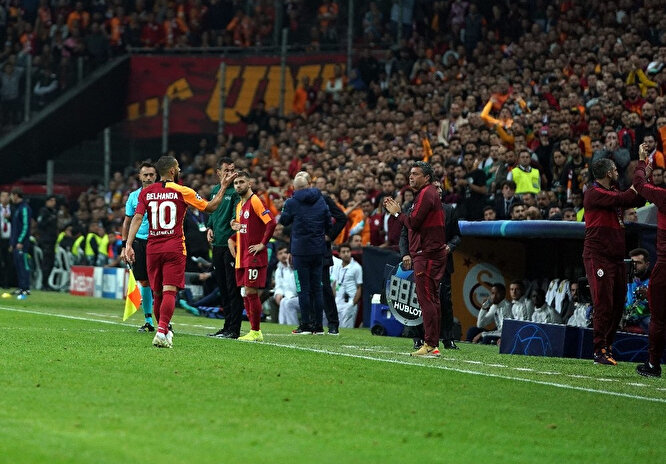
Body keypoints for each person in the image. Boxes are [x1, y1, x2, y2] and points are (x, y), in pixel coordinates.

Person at [126, 155, 231, 348]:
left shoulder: (146, 193)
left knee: (158, 293)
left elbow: (137, 218)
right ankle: (161, 331)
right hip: (174, 247)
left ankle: (163, 330)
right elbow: (210, 207)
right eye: (179, 168)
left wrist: (128, 245)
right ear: (172, 171)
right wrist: (223, 187)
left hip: (152, 248)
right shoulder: (183, 191)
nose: (180, 170)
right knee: (169, 291)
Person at [384, 161, 446, 357]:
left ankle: (430, 344)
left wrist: (397, 213)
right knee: (432, 299)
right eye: (410, 173)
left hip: (426, 254)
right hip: (430, 253)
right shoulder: (427, 193)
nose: (411, 177)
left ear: (426, 178)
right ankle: (433, 343)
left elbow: (413, 222)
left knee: (426, 299)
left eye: (416, 174)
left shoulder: (426, 193)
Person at [583, 158, 642, 365]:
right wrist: (640, 167)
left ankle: (607, 346)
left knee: (618, 304)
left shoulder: (614, 191)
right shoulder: (593, 193)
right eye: (615, 170)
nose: (617, 172)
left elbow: (636, 199)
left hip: (616, 257)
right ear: (608, 173)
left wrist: (644, 172)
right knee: (603, 303)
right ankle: (598, 350)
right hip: (598, 255)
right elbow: (628, 197)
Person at [279, 172, 332, 334]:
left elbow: (283, 221)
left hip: (300, 251)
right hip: (318, 250)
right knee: (317, 289)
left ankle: (306, 325)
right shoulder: (320, 199)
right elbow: (329, 222)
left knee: (303, 289)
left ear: (295, 187)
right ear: (309, 185)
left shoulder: (292, 202)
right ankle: (318, 326)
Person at [228, 171, 276, 342]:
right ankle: (252, 330)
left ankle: (256, 331)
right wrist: (233, 234)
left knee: (251, 291)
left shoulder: (255, 201)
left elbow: (271, 222)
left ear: (250, 183)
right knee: (245, 293)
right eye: (236, 183)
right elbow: (245, 229)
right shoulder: (239, 206)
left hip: (253, 255)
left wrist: (263, 244)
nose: (238, 185)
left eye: (241, 182)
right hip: (242, 257)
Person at [631, 143, 665, 377]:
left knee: (658, 317)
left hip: (664, 265)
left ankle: (653, 364)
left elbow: (641, 186)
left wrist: (643, 161)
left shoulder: (663, 197)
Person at [120, 162, 158, 332]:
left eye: (151, 174)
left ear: (156, 176)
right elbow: (127, 222)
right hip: (139, 242)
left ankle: (164, 321)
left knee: (160, 282)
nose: (148, 178)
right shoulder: (133, 196)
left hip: (158, 240)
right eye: (145, 175)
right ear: (140, 176)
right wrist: (124, 246)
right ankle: (149, 320)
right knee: (144, 281)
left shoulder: (162, 195)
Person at [206, 157, 242, 339]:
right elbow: (211, 212)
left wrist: (233, 231)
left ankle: (234, 329)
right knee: (222, 287)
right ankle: (227, 326)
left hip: (231, 246)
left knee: (232, 288)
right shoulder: (215, 191)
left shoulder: (235, 192)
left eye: (233, 170)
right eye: (227, 170)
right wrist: (209, 227)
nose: (230, 174)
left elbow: (237, 217)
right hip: (217, 245)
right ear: (219, 173)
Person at [332, 242, 362, 328]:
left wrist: (353, 303)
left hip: (349, 301)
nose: (346, 254)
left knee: (347, 328)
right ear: (339, 254)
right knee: (336, 328)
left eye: (348, 251)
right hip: (338, 301)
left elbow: (359, 287)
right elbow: (334, 283)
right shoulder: (337, 266)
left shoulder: (356, 267)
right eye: (343, 252)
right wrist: (335, 299)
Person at [9, 188, 32, 299]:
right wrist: (12, 243)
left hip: (22, 243)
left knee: (23, 265)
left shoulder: (24, 208)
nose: (11, 198)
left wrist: (20, 241)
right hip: (16, 243)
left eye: (12, 195)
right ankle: (21, 287)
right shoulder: (17, 209)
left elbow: (26, 226)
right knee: (18, 265)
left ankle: (26, 288)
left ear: (16, 195)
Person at [624, 248, 651, 334]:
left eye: (639, 263)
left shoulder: (654, 281)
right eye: (632, 263)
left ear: (647, 264)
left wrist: (648, 296)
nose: (634, 266)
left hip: (645, 316)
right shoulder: (623, 278)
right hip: (625, 316)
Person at [273, 245, 299, 325]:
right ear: (277, 256)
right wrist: (278, 293)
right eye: (280, 253)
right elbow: (279, 286)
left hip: (298, 295)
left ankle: (292, 325)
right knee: (283, 301)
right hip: (289, 296)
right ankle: (283, 325)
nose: (283, 255)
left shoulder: (293, 266)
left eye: (285, 252)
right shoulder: (279, 270)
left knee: (288, 303)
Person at [37, 195, 58, 289]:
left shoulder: (54, 212)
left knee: (51, 262)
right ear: (47, 202)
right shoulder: (43, 211)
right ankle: (43, 283)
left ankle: (47, 282)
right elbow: (40, 224)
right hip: (46, 240)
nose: (54, 203)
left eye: (54, 201)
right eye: (52, 201)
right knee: (46, 262)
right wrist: (49, 220)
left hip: (53, 240)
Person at [0, 191, 13, 289]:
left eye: (7, 196)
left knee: (8, 261)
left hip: (8, 239)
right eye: (3, 196)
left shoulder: (12, 210)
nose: (5, 198)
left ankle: (6, 283)